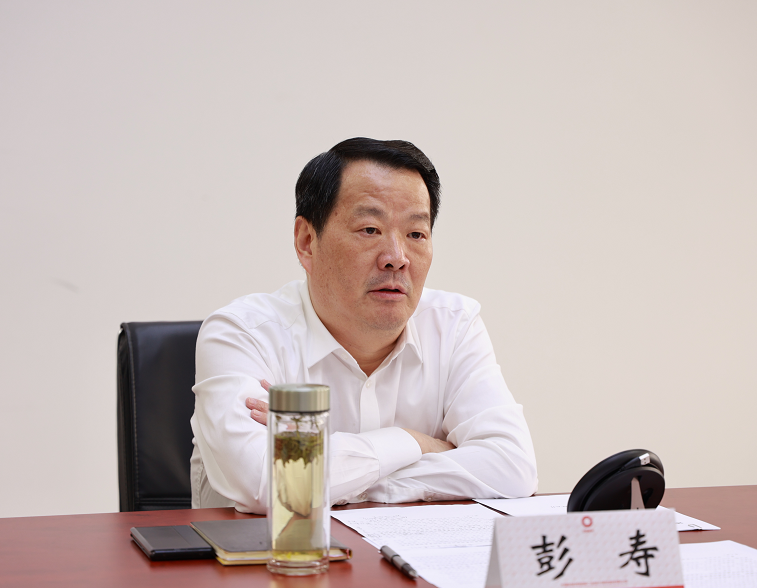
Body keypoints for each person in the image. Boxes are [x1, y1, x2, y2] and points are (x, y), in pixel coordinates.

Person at [190, 138, 538, 513]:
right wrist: (412, 442)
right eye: (370, 229)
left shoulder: (453, 325)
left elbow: (513, 467)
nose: (397, 258)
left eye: (416, 234)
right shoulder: (242, 334)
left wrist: (338, 480)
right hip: (269, 550)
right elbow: (267, 483)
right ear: (307, 242)